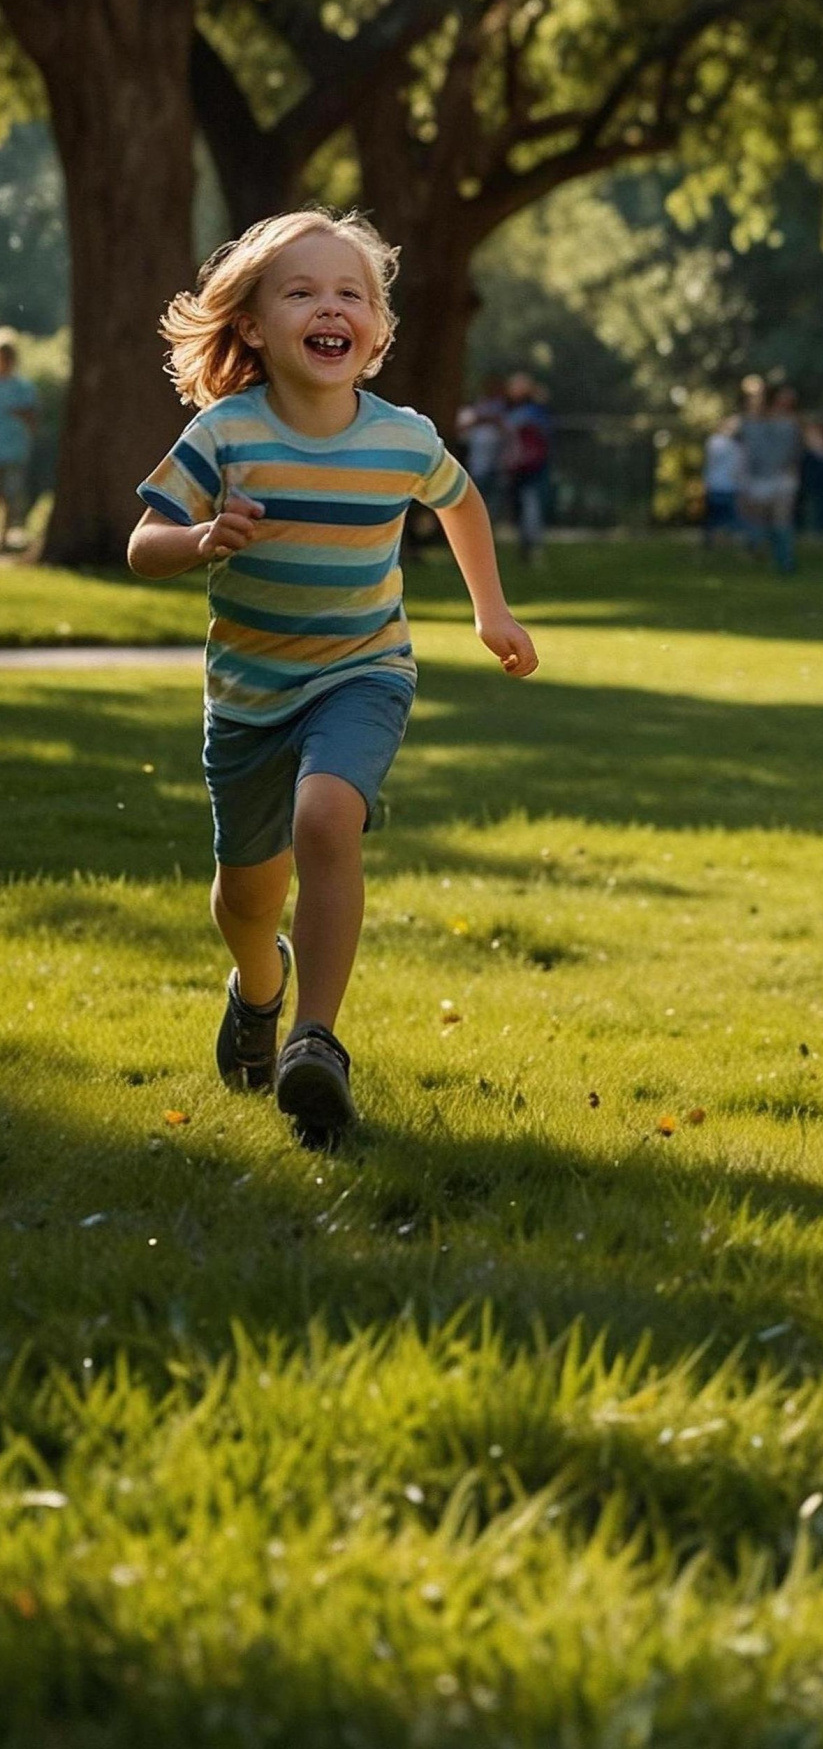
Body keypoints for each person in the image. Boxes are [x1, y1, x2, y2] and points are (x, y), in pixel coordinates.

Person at [126, 209, 537, 1148]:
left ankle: (315, 1040)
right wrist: (202, 537)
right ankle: (258, 987)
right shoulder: (224, 433)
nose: (330, 307)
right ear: (253, 326)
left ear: (377, 329)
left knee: (325, 818)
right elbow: (144, 544)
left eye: (351, 293)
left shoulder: (401, 439)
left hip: (363, 672)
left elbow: (463, 503)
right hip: (248, 699)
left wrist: (492, 611)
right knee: (246, 897)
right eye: (302, 292)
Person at [737, 378, 802, 574]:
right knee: (770, 521)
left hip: (777, 478)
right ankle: (778, 559)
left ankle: (782, 561)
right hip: (765, 478)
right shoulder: (757, 424)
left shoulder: (781, 425)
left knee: (776, 521)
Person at [503, 371, 553, 562]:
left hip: (534, 468)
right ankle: (525, 547)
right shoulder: (508, 410)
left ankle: (533, 547)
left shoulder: (536, 411)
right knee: (520, 509)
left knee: (532, 508)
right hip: (516, 468)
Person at [0, 331, 39, 551]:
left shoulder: (23, 387)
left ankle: (6, 537)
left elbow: (32, 417)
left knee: (11, 495)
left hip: (13, 450)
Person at [456, 375, 508, 523]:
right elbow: (462, 429)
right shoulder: (476, 407)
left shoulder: (505, 408)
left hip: (499, 464)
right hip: (478, 465)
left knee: (494, 499)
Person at [701, 412, 744, 545]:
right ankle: (710, 542)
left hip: (734, 486)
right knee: (714, 517)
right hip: (717, 484)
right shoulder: (715, 442)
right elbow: (711, 463)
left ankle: (727, 541)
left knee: (732, 518)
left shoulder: (738, 444)